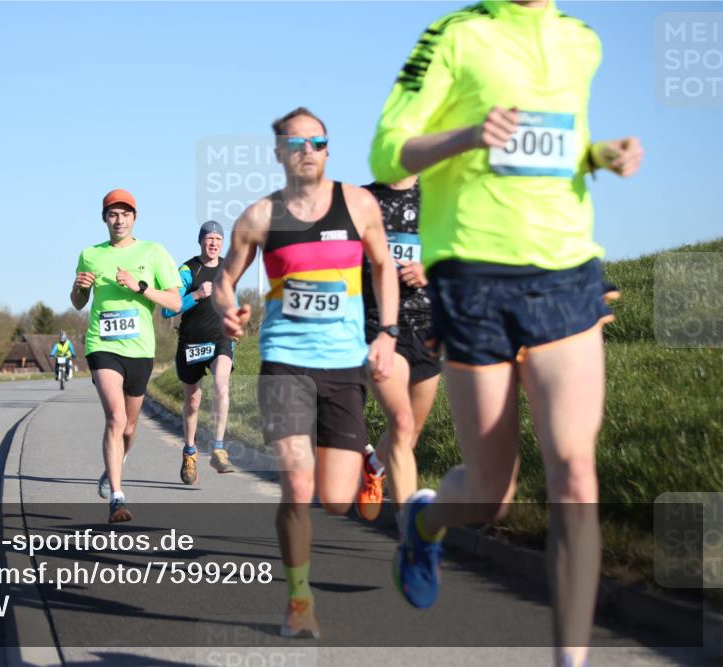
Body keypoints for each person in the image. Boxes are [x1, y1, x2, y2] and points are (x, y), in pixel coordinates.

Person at [368, 2, 643, 665]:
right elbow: (387, 146)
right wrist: (466, 136)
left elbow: (559, 142)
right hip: (473, 277)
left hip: (567, 272)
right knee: (493, 494)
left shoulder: (580, 41)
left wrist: (599, 153)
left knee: (577, 474)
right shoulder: (455, 35)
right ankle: (426, 521)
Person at [213, 107, 398, 638]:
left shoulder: (359, 203)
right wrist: (229, 309)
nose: (308, 151)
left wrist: (386, 333)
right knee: (297, 485)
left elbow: (383, 265)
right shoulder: (259, 217)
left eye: (317, 141)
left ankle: (366, 464)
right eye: (296, 144)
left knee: (336, 500)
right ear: (278, 154)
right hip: (285, 361)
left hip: (343, 363)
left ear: (328, 149)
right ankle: (299, 600)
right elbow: (227, 277)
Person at [71, 188, 182, 523]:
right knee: (116, 419)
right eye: (112, 214)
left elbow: (176, 303)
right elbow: (78, 303)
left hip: (140, 350)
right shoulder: (90, 254)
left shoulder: (155, 252)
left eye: (125, 214)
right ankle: (117, 497)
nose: (119, 220)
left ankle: (114, 467)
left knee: (131, 427)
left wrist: (141, 288)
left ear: (135, 218)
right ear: (104, 218)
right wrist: (80, 288)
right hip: (102, 346)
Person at [354, 177, 441, 528]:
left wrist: (429, 267)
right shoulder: (362, 200)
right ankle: (411, 537)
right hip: (377, 325)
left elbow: (458, 251)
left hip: (427, 326)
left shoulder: (438, 197)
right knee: (401, 422)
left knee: (411, 433)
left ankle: (374, 467)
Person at [162, 220, 236, 484]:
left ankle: (218, 448)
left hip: (220, 340)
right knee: (192, 402)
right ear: (200, 241)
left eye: (218, 239)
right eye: (209, 238)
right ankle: (190, 451)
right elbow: (168, 309)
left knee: (221, 386)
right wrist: (196, 295)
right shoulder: (187, 270)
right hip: (191, 343)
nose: (214, 243)